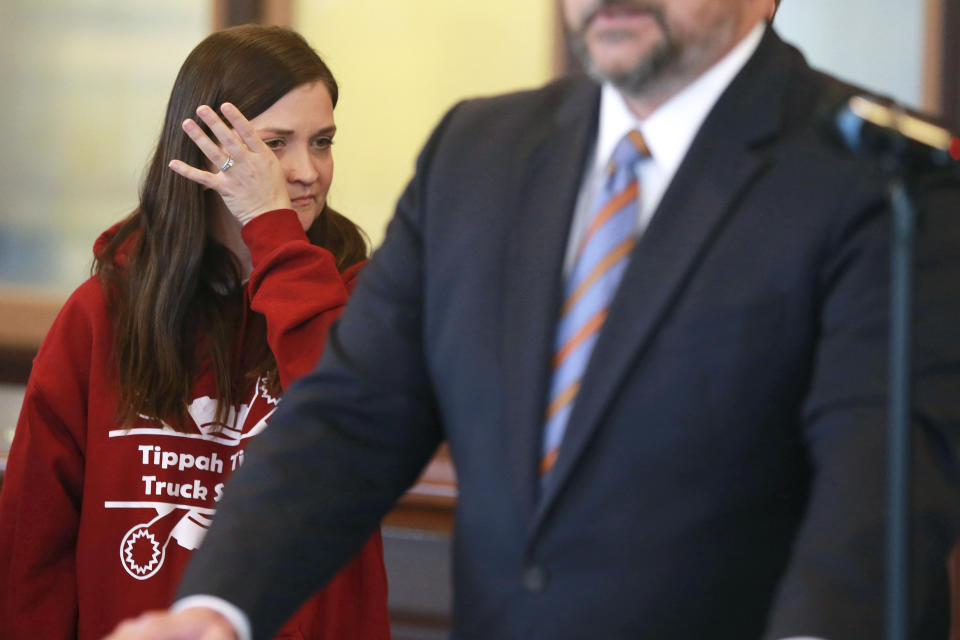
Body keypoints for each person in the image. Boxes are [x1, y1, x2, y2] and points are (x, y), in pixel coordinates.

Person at [107, 1, 960, 638]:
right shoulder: (479, 153)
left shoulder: (880, 177)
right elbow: (349, 416)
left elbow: (872, 508)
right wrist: (216, 610)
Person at [0, 25, 391, 640]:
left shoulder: (357, 298)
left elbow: (358, 420)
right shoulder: (102, 313)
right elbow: (33, 546)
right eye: (274, 144)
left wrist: (272, 230)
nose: (306, 170)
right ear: (204, 151)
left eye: (322, 142)